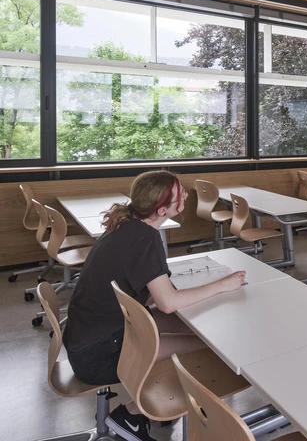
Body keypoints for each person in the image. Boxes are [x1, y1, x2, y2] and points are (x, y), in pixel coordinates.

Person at [64, 170, 246, 441]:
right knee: (210, 347)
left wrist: (173, 291)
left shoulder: (126, 225)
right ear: (162, 210)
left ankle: (155, 405)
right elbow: (168, 303)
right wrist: (222, 285)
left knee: (196, 328)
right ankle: (132, 413)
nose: (186, 194)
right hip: (99, 355)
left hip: (89, 339)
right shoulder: (145, 238)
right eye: (179, 194)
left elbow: (149, 293)